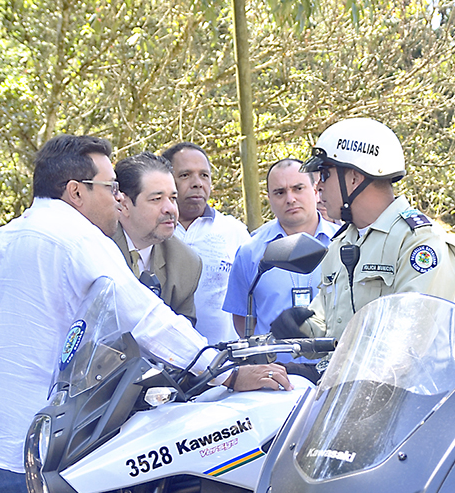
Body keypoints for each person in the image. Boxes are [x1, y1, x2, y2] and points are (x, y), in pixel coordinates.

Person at [0, 134, 289, 493]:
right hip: (36, 451)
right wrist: (226, 372)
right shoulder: (77, 239)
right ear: (76, 191)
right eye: (110, 187)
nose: (116, 198)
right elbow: (147, 318)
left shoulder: (2, 238)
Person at [270, 117, 455, 341]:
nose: (318, 186)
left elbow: (412, 339)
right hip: (342, 367)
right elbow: (329, 328)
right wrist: (298, 327)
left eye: (324, 175)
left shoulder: (420, 242)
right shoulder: (341, 245)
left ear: (354, 177)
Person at [222, 158, 333, 340]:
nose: (290, 199)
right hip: (274, 358)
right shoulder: (250, 252)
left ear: (315, 191)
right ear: (269, 198)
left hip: (333, 356)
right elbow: (242, 318)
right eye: (280, 192)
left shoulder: (342, 242)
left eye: (298, 188)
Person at [161, 142, 250, 345]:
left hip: (223, 358)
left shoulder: (234, 232)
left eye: (204, 175)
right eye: (185, 175)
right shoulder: (152, 230)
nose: (197, 183)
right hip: (162, 356)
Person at [112, 152, 202, 325]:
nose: (170, 209)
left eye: (173, 198)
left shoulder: (187, 263)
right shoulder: (95, 246)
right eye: (156, 199)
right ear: (123, 205)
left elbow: (182, 333)